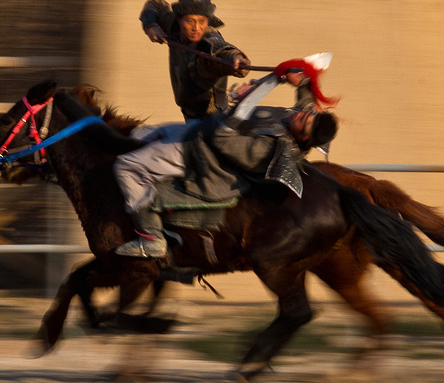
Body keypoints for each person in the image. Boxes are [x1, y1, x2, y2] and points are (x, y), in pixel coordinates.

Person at [113, 70, 338, 258]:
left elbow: (221, 139)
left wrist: (244, 103)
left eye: (304, 122)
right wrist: (302, 80)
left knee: (126, 166)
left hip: (200, 157)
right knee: (137, 134)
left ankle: (151, 237)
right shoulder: (301, 120)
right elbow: (305, 101)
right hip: (196, 132)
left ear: (305, 139)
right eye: (306, 114)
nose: (299, 116)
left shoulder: (269, 151)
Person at [140, 0, 252, 121]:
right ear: (179, 19)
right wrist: (151, 25)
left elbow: (222, 51)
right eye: (190, 21)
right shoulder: (173, 25)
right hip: (188, 115)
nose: (196, 28)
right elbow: (153, 5)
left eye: (202, 21)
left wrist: (237, 58)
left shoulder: (208, 41)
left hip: (211, 122)